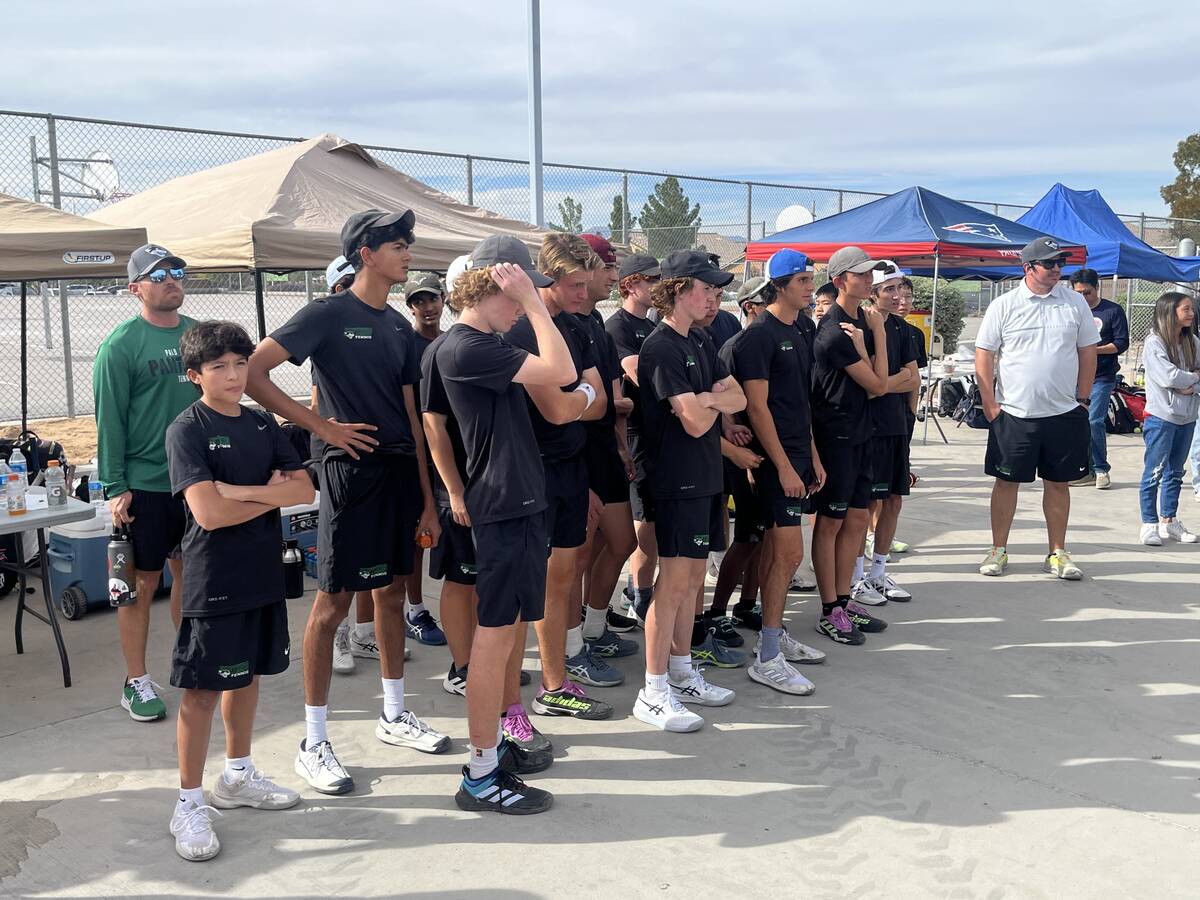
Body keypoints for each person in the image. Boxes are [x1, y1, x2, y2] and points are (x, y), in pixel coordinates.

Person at [247, 209, 447, 797]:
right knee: (333, 603)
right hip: (349, 474)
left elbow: (412, 414)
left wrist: (429, 496)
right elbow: (255, 371)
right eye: (397, 244)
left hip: (399, 475)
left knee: (390, 591)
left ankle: (393, 714)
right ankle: (313, 741)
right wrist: (321, 428)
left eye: (408, 243)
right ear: (366, 252)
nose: (408, 251)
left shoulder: (399, 328)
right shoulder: (328, 313)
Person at [438, 238, 580, 814]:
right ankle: (478, 774)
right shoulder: (467, 347)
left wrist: (528, 302)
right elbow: (564, 371)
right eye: (516, 295)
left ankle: (492, 751)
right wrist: (539, 306)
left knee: (506, 638)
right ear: (492, 286)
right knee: (492, 645)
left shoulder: (483, 344)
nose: (522, 308)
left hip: (518, 504)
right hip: (502, 508)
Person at [164, 320, 314, 860]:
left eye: (239, 364)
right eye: (218, 367)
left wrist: (240, 491)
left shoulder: (260, 423)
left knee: (246, 676)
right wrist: (263, 495)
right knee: (203, 690)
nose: (232, 375)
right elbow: (208, 512)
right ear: (194, 375)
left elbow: (303, 488)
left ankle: (237, 775)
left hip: (262, 572)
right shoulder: (188, 429)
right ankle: (188, 802)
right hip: (214, 579)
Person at [505, 234, 615, 717]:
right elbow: (556, 410)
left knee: (564, 576)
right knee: (536, 585)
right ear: (547, 279)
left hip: (571, 467)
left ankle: (557, 678)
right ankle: (544, 684)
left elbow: (598, 404)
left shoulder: (574, 324)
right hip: (534, 472)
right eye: (574, 284)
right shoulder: (527, 331)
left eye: (586, 284)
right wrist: (583, 399)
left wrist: (581, 402)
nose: (583, 294)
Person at [635, 250, 744, 732]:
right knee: (673, 584)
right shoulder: (660, 348)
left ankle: (681, 673)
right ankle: (653, 691)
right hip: (676, 480)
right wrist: (709, 403)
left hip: (704, 479)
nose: (714, 297)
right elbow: (698, 424)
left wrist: (707, 399)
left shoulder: (700, 340)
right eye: (705, 288)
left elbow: (737, 397)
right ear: (679, 290)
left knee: (691, 583)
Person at [93, 243, 196, 723]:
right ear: (136, 288)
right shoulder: (121, 345)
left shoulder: (199, 335)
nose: (171, 279)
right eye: (159, 275)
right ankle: (135, 680)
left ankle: (190, 659)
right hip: (147, 483)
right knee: (141, 582)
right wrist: (115, 486)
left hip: (196, 479)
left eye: (177, 271)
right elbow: (108, 420)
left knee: (191, 574)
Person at [731, 249, 828, 694]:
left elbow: (800, 405)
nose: (811, 288)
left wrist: (813, 458)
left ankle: (774, 637)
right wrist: (785, 466)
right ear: (781, 286)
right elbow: (758, 408)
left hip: (797, 457)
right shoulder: (758, 337)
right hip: (775, 462)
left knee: (778, 554)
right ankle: (767, 655)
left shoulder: (800, 330)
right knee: (789, 555)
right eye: (804, 281)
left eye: (810, 280)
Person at [975, 237, 1100, 580]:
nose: (1058, 269)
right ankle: (998, 549)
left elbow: (1088, 351)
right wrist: (990, 402)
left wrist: (1084, 398)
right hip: (1014, 413)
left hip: (1063, 413)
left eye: (1060, 262)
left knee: (1058, 484)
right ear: (1028, 267)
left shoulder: (1075, 303)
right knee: (1006, 483)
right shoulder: (1005, 305)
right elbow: (985, 353)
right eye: (1050, 263)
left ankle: (1057, 552)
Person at [809, 247, 891, 645]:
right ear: (841, 280)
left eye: (871, 272)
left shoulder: (859, 320)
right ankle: (830, 609)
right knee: (832, 524)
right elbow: (879, 385)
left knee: (857, 521)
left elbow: (881, 381)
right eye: (861, 274)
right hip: (836, 435)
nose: (869, 279)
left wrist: (870, 337)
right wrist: (874, 336)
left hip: (861, 433)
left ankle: (843, 598)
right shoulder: (835, 329)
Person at [316, 256, 386, 677]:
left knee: (371, 561)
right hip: (340, 462)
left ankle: (362, 632)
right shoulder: (328, 323)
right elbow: (313, 397)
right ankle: (341, 635)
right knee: (338, 567)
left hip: (378, 463)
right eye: (344, 281)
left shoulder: (385, 325)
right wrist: (323, 430)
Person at [573, 234, 640, 659]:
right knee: (571, 560)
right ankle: (568, 650)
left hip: (603, 450)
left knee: (620, 543)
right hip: (575, 458)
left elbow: (607, 399)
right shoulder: (561, 325)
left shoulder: (596, 322)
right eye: (607, 267)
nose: (614, 276)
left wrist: (619, 444)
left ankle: (593, 626)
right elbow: (573, 406)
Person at [853, 262, 920, 603]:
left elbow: (912, 378)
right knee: (864, 505)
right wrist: (887, 384)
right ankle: (854, 577)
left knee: (894, 500)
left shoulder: (905, 330)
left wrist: (885, 385)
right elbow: (869, 387)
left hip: (896, 428)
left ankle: (878, 573)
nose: (897, 296)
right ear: (873, 292)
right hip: (868, 430)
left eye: (900, 289)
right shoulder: (860, 326)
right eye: (889, 289)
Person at [605, 253, 660, 623]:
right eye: (651, 280)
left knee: (653, 520)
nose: (658, 286)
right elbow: (637, 373)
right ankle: (639, 595)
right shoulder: (617, 327)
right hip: (635, 434)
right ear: (630, 285)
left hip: (657, 432)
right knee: (644, 524)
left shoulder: (653, 325)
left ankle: (639, 590)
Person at [401, 271, 450, 648]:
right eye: (419, 301)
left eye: (431, 298)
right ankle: (415, 609)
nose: (427, 307)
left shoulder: (452, 342)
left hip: (451, 449)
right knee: (421, 533)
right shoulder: (406, 345)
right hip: (418, 450)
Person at [1138, 292, 1200, 546]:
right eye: (1185, 309)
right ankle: (1149, 523)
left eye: (1191, 309)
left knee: (1176, 472)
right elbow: (1168, 377)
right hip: (1162, 417)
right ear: (1169, 312)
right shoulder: (1155, 343)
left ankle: (1169, 521)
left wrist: (1190, 383)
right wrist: (1191, 378)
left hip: (1187, 417)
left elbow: (1184, 378)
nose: (1191, 314)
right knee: (1154, 471)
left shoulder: (1193, 341)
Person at [1068, 269, 1128, 490]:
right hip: (1072, 375)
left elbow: (1121, 343)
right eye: (1079, 293)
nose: (1084, 298)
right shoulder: (1070, 311)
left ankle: (1101, 468)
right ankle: (1081, 468)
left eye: (1088, 293)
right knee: (1073, 422)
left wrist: (1093, 350)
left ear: (1097, 288)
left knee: (1095, 420)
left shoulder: (1112, 311)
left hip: (1102, 376)